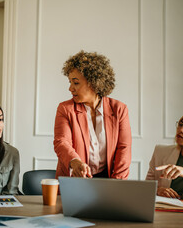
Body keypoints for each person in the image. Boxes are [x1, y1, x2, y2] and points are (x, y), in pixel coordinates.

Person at [54, 50, 132, 179]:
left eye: (76, 82)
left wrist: (117, 185)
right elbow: (62, 142)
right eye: (70, 82)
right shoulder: (65, 108)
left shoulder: (119, 109)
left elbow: (124, 149)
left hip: (109, 180)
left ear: (94, 82)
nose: (70, 88)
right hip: (75, 180)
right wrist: (75, 162)